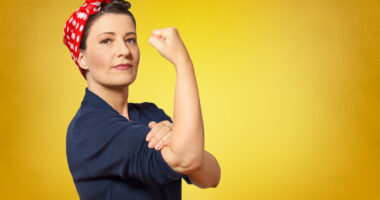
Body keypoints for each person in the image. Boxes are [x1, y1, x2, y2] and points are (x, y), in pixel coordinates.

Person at [63, 0, 221, 199]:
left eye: (130, 39)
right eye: (106, 41)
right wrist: (183, 63)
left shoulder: (151, 113)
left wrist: (177, 139)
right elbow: (187, 158)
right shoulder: (89, 129)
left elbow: (211, 176)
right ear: (82, 58)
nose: (124, 51)